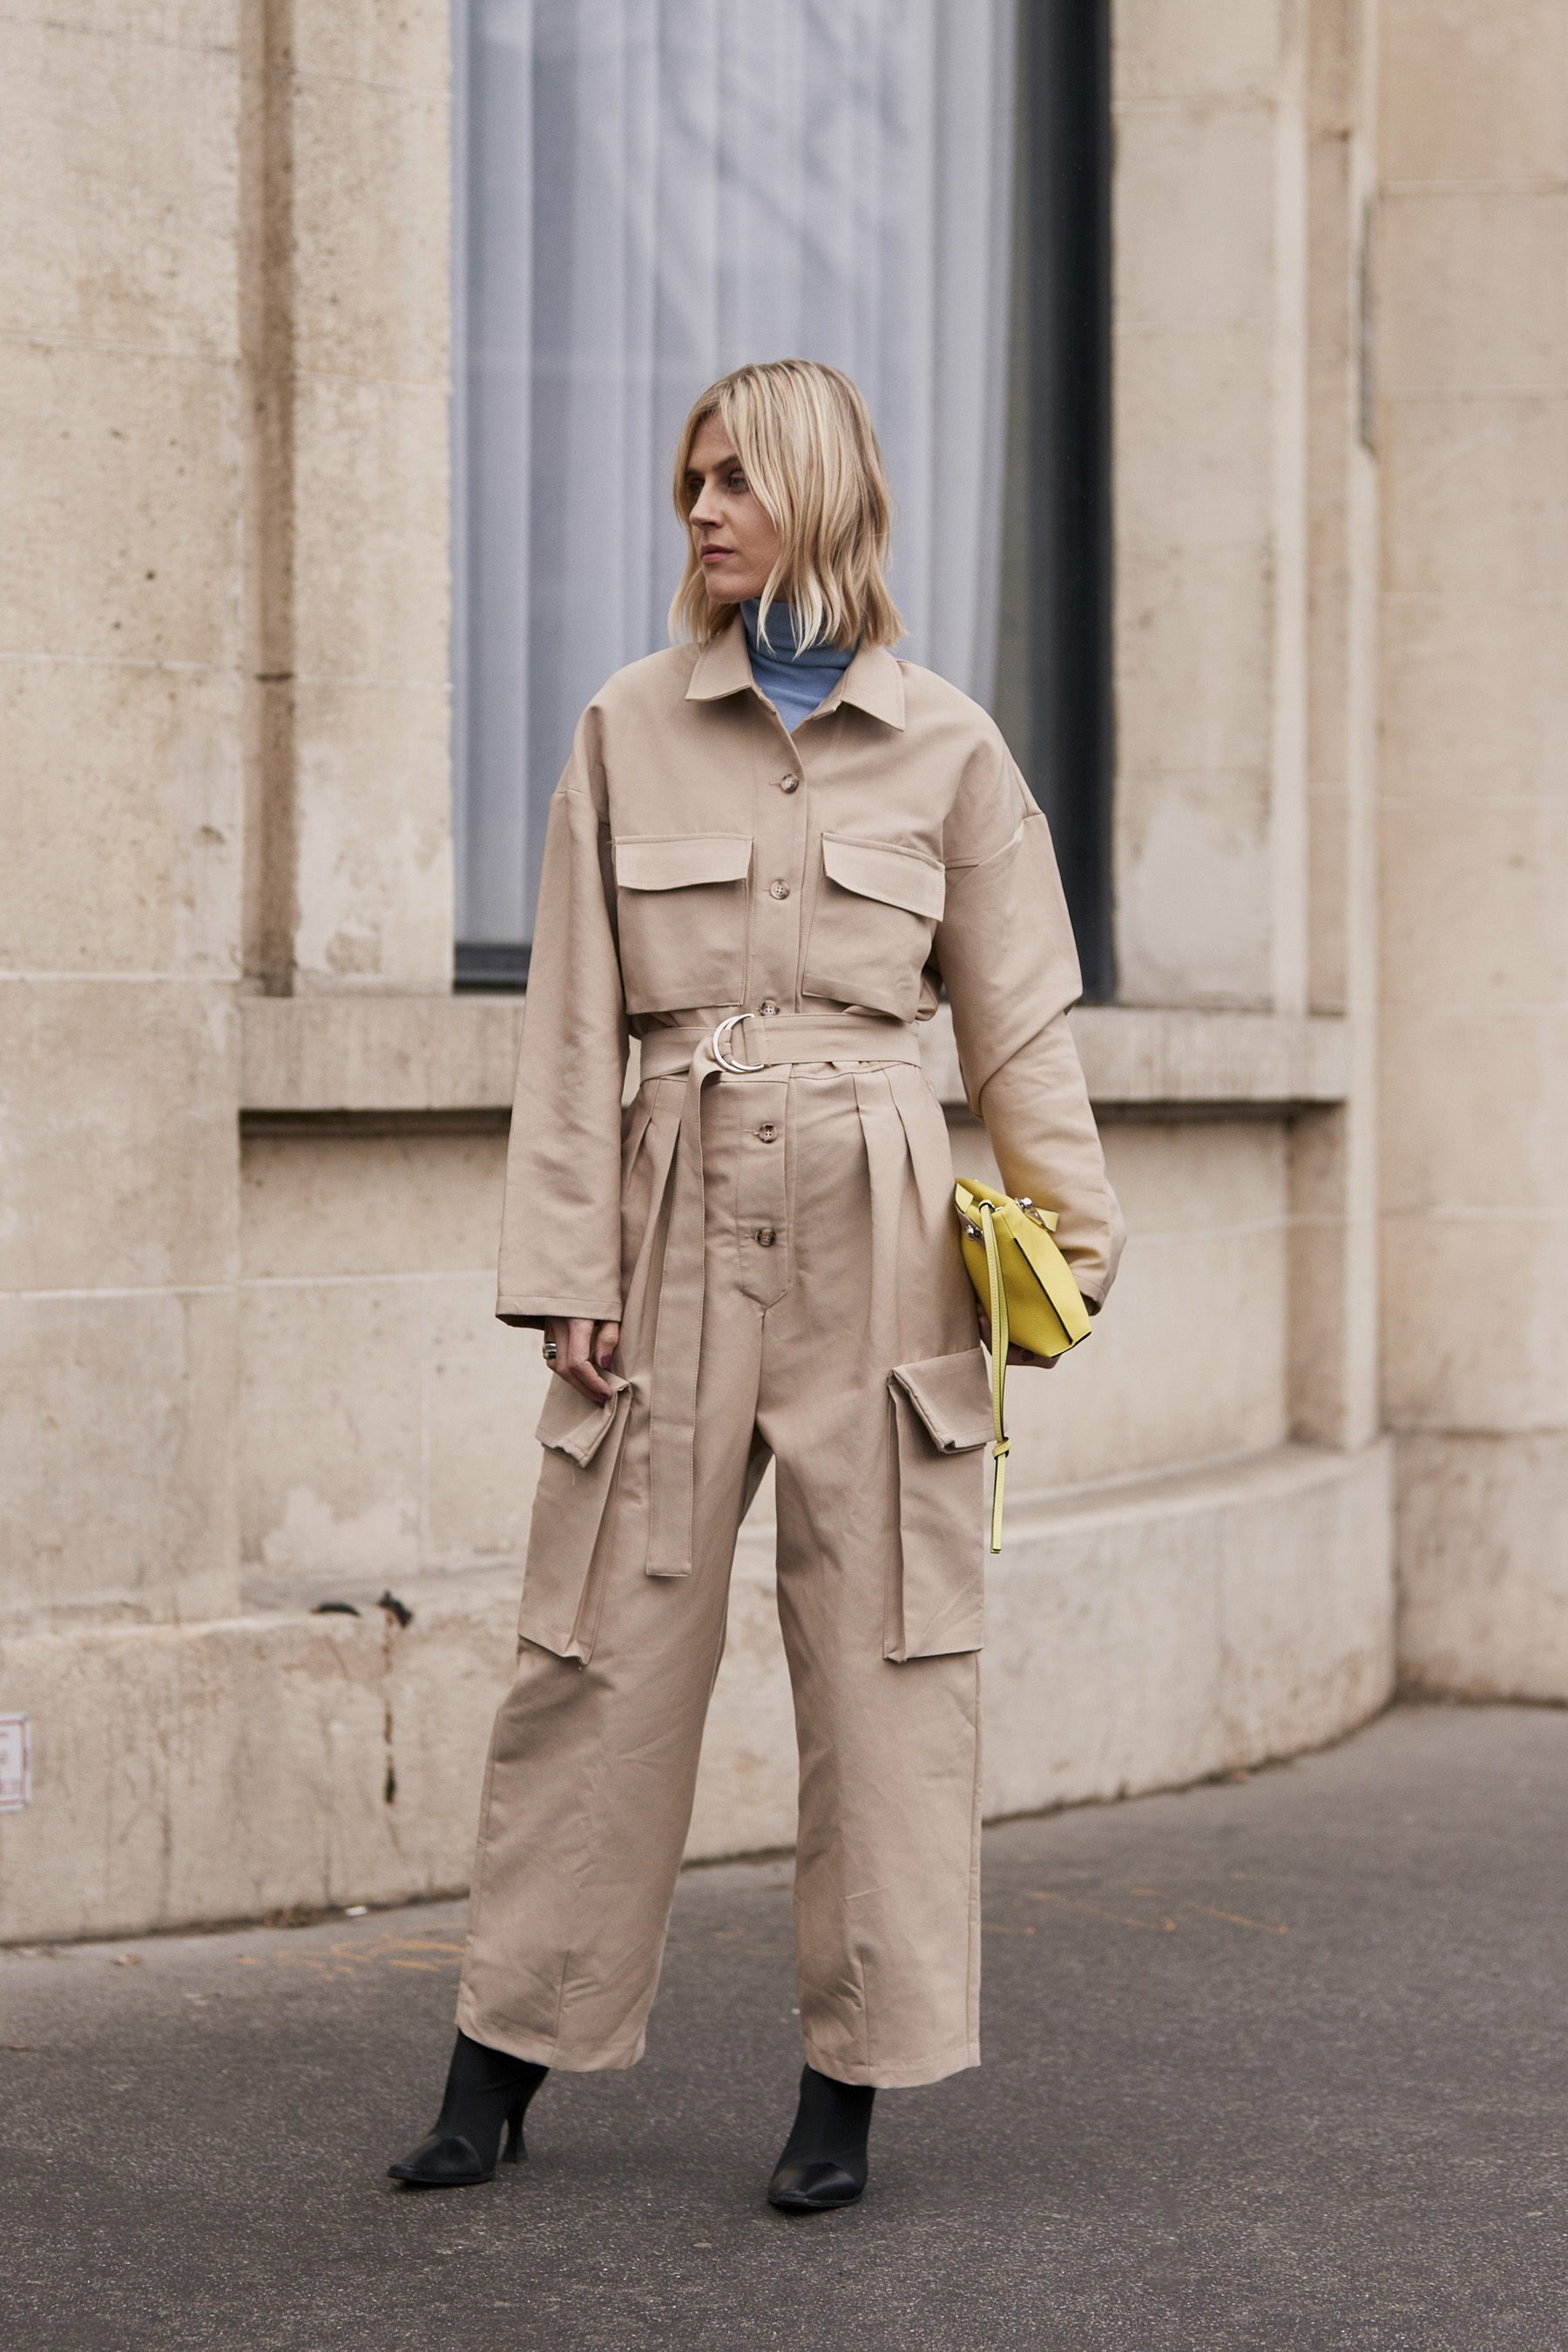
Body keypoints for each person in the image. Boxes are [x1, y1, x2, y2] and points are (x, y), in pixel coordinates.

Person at [389, 359, 1124, 2209]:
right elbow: (566, 1021)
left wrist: (1074, 1244)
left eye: (732, 480)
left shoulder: (951, 748)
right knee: (599, 1643)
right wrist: (564, 1268)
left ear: (818, 491)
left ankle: (848, 2088)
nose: (702, 511)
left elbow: (1021, 1020)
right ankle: (500, 2059)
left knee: (887, 1652)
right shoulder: (624, 727)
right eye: (686, 485)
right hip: (667, 1217)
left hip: (885, 1231)